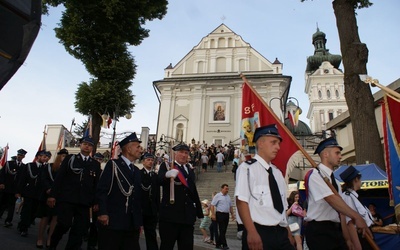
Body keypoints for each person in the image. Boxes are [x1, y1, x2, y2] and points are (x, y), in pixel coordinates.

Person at [304, 137, 372, 250]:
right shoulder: (316, 175)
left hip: (335, 229)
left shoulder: (334, 180)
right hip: (320, 230)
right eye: (337, 153)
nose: (340, 156)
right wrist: (356, 217)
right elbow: (331, 199)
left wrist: (347, 239)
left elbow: (341, 213)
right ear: (325, 154)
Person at [235, 124, 294, 250]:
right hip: (259, 232)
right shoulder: (247, 168)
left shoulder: (277, 173)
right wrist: (251, 232)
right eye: (273, 142)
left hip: (281, 233)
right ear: (260, 143)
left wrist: (288, 231)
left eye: (278, 143)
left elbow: (282, 207)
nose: (278, 147)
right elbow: (241, 201)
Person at [47, 137, 101, 250]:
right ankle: (52, 245)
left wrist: (96, 201)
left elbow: (96, 185)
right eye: (85, 144)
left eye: (90, 145)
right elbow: (59, 178)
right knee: (63, 225)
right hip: (68, 198)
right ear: (80, 145)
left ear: (92, 148)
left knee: (79, 230)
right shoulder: (71, 159)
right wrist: (53, 195)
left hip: (84, 201)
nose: (87, 146)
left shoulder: (95, 164)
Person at [96, 133, 143, 250]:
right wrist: (103, 212)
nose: (140, 150)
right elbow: (102, 190)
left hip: (131, 224)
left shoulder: (136, 170)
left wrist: (138, 222)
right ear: (128, 148)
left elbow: (137, 198)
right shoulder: (113, 165)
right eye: (137, 147)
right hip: (114, 221)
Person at [158, 143, 203, 250]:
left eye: (186, 153)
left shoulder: (189, 169)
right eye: (181, 152)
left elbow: (193, 191)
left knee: (187, 246)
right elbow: (158, 180)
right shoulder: (167, 166)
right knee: (167, 246)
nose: (184, 155)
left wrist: (199, 212)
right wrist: (166, 175)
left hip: (187, 217)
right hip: (170, 216)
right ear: (175, 154)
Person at [16, 150, 50, 237]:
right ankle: (24, 228)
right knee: (27, 210)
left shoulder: (46, 168)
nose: (45, 158)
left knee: (34, 211)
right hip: (29, 192)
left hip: (39, 194)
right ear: (38, 156)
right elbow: (22, 179)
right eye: (43, 156)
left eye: (46, 156)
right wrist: (19, 191)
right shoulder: (30, 166)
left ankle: (24, 224)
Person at [340, 166, 374, 250]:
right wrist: (357, 245)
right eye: (360, 179)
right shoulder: (348, 197)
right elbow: (349, 223)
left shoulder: (354, 197)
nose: (361, 182)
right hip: (361, 236)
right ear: (356, 179)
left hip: (366, 234)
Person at [0, 148, 26, 228]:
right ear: (17, 155)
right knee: (2, 204)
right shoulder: (9, 163)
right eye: (19, 155)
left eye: (21, 155)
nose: (19, 156)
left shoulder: (23, 167)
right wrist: (1, 183)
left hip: (14, 190)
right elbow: (2, 174)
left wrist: (19, 191)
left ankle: (8, 221)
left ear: (23, 157)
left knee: (11, 206)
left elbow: (23, 180)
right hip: (6, 187)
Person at [140, 152, 160, 250]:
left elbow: (157, 194)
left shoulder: (154, 176)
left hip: (151, 210)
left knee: (151, 234)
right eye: (148, 160)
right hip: (141, 209)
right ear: (143, 162)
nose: (150, 162)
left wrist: (157, 208)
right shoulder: (139, 174)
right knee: (135, 234)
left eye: (152, 160)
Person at [210, 183, 235, 250]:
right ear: (222, 189)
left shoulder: (228, 196)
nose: (227, 190)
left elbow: (230, 206)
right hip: (220, 214)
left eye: (228, 189)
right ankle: (224, 245)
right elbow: (212, 205)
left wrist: (232, 214)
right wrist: (213, 214)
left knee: (224, 230)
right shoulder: (218, 196)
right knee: (222, 229)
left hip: (226, 215)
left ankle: (218, 244)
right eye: (226, 189)